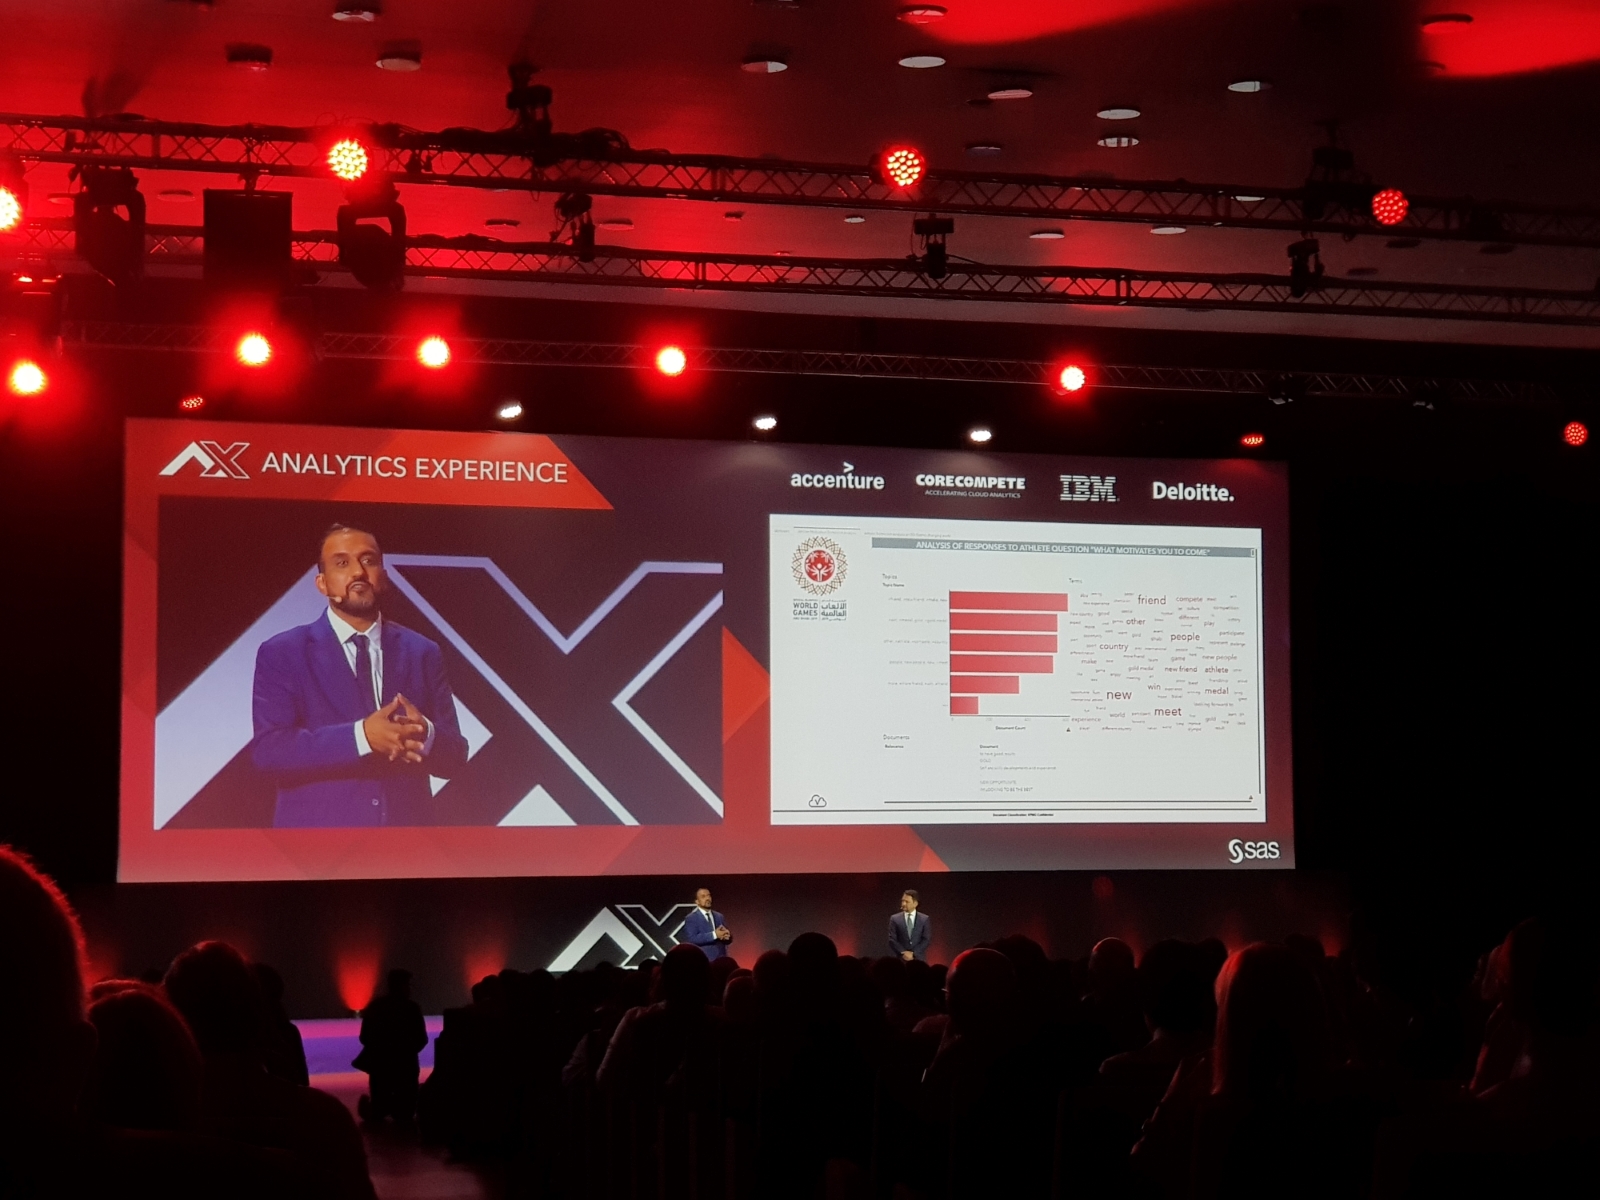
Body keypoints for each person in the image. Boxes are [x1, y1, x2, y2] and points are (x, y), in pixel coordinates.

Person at [250, 524, 470, 828]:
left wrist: (426, 735)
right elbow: (270, 751)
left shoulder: (423, 651)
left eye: (368, 560)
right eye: (342, 563)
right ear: (322, 583)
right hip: (317, 845)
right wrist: (362, 737)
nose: (358, 572)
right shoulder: (283, 653)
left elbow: (455, 757)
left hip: (406, 844)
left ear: (383, 575)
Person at [354, 969, 428, 1124]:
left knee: (379, 1107)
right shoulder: (412, 1008)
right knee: (405, 1112)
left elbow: (364, 1037)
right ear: (404, 986)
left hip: (380, 1066)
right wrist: (406, 1053)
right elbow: (421, 1039)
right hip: (406, 1067)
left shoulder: (376, 1007)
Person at [680, 888, 733, 960]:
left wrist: (727, 936)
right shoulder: (691, 918)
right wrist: (714, 935)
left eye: (709, 895)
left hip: (721, 959)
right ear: (697, 902)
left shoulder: (719, 916)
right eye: (703, 896)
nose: (707, 898)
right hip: (704, 960)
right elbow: (692, 939)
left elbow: (726, 938)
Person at [888, 889, 931, 962]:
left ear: (915, 904)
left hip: (918, 959)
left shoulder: (924, 919)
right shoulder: (894, 919)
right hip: (900, 960)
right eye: (902, 901)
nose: (903, 904)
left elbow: (926, 939)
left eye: (907, 902)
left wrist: (914, 953)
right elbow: (892, 939)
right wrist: (903, 952)